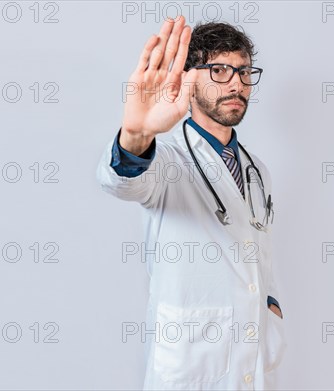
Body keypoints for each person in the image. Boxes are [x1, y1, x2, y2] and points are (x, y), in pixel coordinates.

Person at [96, 16, 286, 390]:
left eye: (244, 71)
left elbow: (255, 255)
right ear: (187, 78)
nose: (236, 83)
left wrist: (271, 305)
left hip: (254, 360)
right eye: (219, 70)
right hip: (192, 367)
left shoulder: (255, 169)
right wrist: (136, 134)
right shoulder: (164, 157)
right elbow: (122, 181)